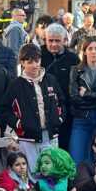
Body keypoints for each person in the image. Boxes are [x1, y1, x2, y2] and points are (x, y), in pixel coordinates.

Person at [3, 45, 65, 172]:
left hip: (51, 134)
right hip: (28, 137)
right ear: (22, 63)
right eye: (29, 62)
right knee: (32, 171)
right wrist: (18, 123)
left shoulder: (51, 80)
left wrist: (59, 118)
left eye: (37, 61)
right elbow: (4, 109)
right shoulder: (16, 84)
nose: (34, 65)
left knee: (52, 170)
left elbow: (62, 102)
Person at [68, 38, 96, 164]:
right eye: (90, 48)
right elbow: (74, 97)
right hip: (81, 118)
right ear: (85, 51)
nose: (93, 52)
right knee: (77, 158)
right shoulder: (76, 71)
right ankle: (79, 183)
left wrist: (87, 94)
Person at [41, 24, 79, 152]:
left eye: (57, 41)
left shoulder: (72, 59)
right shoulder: (38, 56)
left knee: (65, 146)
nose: (53, 44)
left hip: (67, 110)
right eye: (50, 40)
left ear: (64, 40)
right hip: (44, 110)